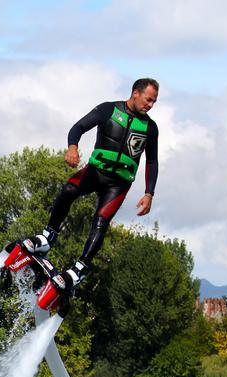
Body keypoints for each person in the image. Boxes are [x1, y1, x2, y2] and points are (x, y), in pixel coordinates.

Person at [17, 78, 159, 302]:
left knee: (101, 222)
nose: (150, 105)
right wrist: (72, 147)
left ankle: (80, 269)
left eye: (154, 102)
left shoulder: (150, 128)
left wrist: (149, 193)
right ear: (135, 93)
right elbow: (78, 127)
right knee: (67, 191)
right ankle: (47, 238)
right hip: (95, 173)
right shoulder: (108, 110)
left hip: (119, 184)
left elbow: (152, 161)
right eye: (148, 99)